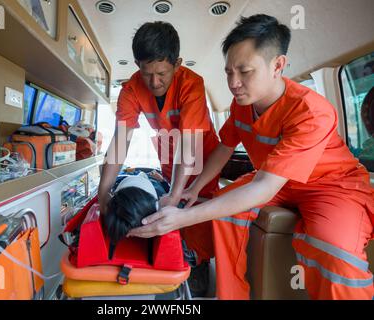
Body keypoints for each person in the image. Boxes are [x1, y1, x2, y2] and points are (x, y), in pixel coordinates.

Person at [128, 14, 374, 300]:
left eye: (244, 71)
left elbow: (264, 187)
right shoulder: (241, 105)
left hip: (331, 185)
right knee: (222, 213)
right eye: (229, 72)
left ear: (277, 66)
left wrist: (182, 218)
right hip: (275, 180)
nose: (234, 83)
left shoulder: (310, 111)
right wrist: (193, 191)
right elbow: (225, 147)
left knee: (333, 250)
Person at [98, 21, 220, 257]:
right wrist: (103, 192)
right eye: (147, 73)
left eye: (162, 74)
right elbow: (120, 141)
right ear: (137, 65)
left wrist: (175, 195)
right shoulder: (131, 90)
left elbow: (188, 146)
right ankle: (168, 251)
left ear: (177, 64)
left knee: (192, 207)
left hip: (199, 151)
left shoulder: (192, 84)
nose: (154, 83)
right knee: (167, 205)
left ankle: (197, 261)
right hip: (168, 149)